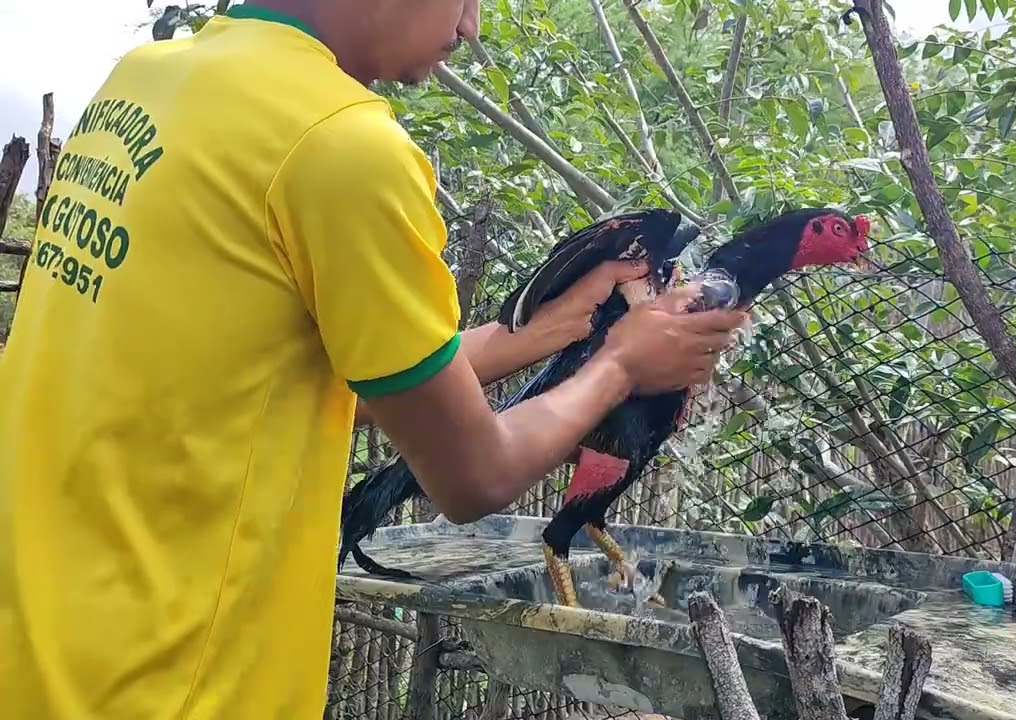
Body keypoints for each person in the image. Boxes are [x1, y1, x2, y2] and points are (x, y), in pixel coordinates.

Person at [0, 0, 747, 717]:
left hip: (41, 647)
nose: (471, 24)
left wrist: (546, 330)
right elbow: (473, 476)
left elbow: (289, 381)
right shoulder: (342, 145)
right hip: (175, 684)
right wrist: (619, 365)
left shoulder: (144, 82)